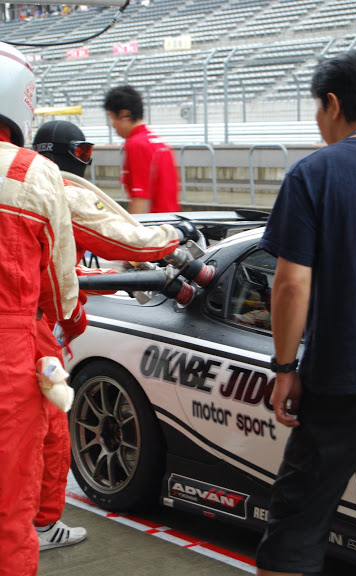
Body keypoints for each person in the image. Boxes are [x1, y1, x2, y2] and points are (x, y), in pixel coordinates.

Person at [32, 119, 198, 551]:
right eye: (82, 153)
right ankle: (40, 527)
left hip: (26, 322)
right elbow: (121, 239)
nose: (85, 162)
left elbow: (62, 269)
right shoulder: (50, 186)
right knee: (49, 429)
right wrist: (172, 240)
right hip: (22, 331)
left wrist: (114, 280)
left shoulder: (19, 180)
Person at [256, 49, 356, 576]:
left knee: (296, 524)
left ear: (332, 104)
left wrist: (284, 369)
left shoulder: (315, 173)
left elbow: (290, 285)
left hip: (346, 376)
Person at [0, 43, 83, 576]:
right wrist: (68, 321)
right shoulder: (32, 171)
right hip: (10, 347)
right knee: (10, 499)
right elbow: (60, 281)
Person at [103, 84, 180, 214]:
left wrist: (133, 231)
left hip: (154, 227)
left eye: (112, 118)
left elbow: (141, 198)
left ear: (124, 115)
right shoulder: (159, 141)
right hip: (172, 223)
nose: (112, 125)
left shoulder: (136, 144)